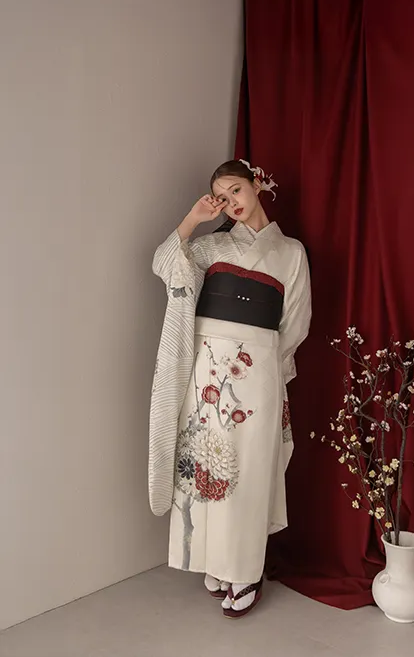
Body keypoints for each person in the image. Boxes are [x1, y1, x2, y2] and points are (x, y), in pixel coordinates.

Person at [148, 160, 311, 618]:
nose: (231, 202)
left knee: (250, 470)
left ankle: (244, 571)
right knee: (206, 464)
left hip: (257, 370)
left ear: (257, 185)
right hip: (205, 371)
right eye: (221, 197)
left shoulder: (290, 252)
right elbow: (164, 265)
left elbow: (296, 321)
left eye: (236, 190)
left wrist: (264, 366)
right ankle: (212, 560)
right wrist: (193, 219)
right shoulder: (210, 246)